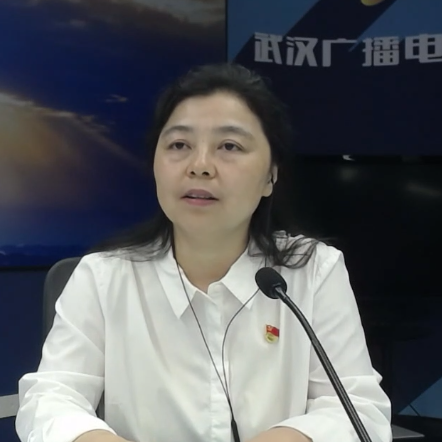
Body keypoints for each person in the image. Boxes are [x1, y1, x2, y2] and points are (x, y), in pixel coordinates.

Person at [16, 62, 391, 442]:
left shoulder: (313, 271)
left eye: (229, 146)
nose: (200, 166)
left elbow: (359, 410)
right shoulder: (103, 277)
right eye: (179, 145)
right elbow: (50, 399)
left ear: (271, 175)